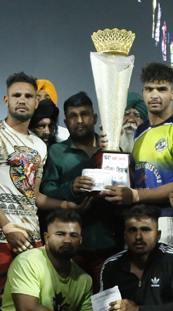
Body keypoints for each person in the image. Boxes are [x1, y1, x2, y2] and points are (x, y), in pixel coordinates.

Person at [0, 72, 72, 288]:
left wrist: (69, 205)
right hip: (1, 235)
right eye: (16, 95)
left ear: (36, 102)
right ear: (6, 100)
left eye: (28, 96)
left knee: (36, 297)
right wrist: (8, 228)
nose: (22, 100)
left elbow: (34, 196)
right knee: (4, 299)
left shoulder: (40, 145)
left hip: (32, 237)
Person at [103, 62, 173, 252]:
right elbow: (133, 174)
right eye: (149, 89)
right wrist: (110, 147)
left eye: (161, 89)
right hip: (138, 217)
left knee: (167, 270)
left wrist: (136, 195)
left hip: (168, 219)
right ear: (143, 93)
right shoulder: (140, 131)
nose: (154, 95)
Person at [40, 91, 120, 285]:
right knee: (71, 295)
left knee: (108, 297)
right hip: (71, 245)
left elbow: (125, 183)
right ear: (66, 122)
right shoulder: (56, 152)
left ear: (94, 118)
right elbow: (46, 189)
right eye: (73, 116)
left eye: (84, 114)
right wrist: (71, 188)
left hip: (109, 239)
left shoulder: (110, 149)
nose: (80, 120)